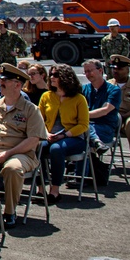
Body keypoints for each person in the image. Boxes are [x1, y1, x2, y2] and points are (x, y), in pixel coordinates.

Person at [0, 64, 48, 228]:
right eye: (0, 80)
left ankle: (9, 211)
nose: (0, 83)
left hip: (22, 154)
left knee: (12, 168)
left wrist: (8, 153)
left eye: (4, 81)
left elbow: (34, 140)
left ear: (17, 85)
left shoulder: (31, 110)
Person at [40, 64, 90, 204]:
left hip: (73, 138)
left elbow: (83, 125)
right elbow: (39, 120)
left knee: (56, 149)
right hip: (49, 135)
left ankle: (55, 190)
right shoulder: (46, 96)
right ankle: (41, 187)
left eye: (55, 75)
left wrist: (65, 135)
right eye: (51, 74)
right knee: (36, 147)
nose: (52, 77)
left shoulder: (79, 99)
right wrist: (46, 133)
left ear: (65, 77)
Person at [82, 59, 122, 164]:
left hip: (105, 128)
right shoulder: (83, 89)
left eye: (90, 70)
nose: (88, 74)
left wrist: (82, 115)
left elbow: (106, 110)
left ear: (100, 71)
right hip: (86, 126)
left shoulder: (114, 90)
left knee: (81, 135)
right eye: (86, 71)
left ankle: (84, 171)